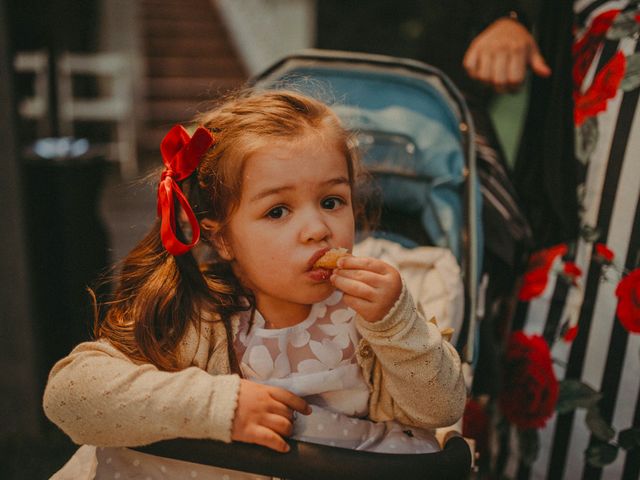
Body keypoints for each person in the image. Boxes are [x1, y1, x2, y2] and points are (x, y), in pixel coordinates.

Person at [43, 89, 467, 479]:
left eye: (332, 201)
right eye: (278, 211)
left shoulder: (372, 318)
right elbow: (69, 396)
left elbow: (440, 407)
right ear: (222, 237)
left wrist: (396, 325)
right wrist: (216, 405)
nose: (318, 229)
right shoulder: (200, 316)